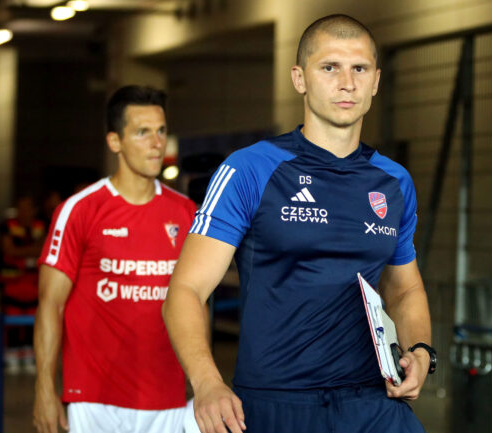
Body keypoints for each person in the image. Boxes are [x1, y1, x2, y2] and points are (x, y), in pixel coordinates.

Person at [164, 14, 436, 433]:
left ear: (376, 81)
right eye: (330, 67)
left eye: (359, 69)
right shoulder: (251, 169)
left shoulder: (394, 180)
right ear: (299, 78)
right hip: (276, 403)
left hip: (372, 401)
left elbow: (405, 287)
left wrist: (420, 350)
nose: (347, 82)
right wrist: (206, 382)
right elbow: (186, 289)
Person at [32, 85, 197, 433]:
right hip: (95, 399)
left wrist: (202, 381)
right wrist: (45, 389)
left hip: (166, 395)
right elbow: (50, 305)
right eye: (142, 132)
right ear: (115, 142)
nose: (157, 143)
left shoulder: (186, 213)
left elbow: (195, 303)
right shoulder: (79, 211)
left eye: (161, 131)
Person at [0, 195, 45, 374]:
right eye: (21, 208)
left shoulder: (41, 226)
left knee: (33, 321)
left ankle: (29, 353)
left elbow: (46, 248)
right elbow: (8, 249)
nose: (24, 212)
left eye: (27, 208)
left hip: (35, 284)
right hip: (13, 284)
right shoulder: (8, 226)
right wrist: (31, 253)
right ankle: (11, 353)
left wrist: (21, 253)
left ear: (33, 210)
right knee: (12, 319)